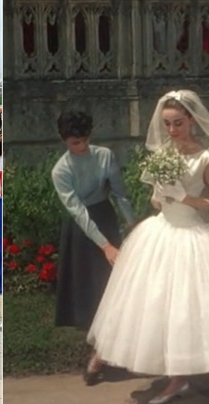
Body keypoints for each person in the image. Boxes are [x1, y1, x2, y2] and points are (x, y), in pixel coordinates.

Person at [86, 90, 209, 404]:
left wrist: (185, 198)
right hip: (162, 234)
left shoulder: (205, 157)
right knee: (164, 311)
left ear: (192, 121)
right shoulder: (162, 155)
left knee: (204, 311)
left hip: (195, 236)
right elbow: (156, 199)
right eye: (167, 124)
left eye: (178, 124)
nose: (172, 130)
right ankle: (177, 379)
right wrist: (161, 196)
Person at [50, 111, 135, 384]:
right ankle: (100, 353)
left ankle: (105, 354)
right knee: (90, 292)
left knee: (114, 288)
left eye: (85, 140)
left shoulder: (105, 155)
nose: (82, 146)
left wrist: (132, 225)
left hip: (106, 217)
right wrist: (105, 246)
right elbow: (78, 212)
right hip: (81, 230)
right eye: (76, 142)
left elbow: (120, 194)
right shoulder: (61, 170)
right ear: (65, 141)